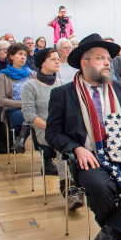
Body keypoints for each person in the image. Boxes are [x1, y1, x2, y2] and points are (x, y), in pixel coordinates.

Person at [45, 33, 121, 240]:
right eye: (100, 58)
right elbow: (52, 133)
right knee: (98, 185)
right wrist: (76, 148)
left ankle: (109, 233)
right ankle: (118, 232)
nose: (107, 63)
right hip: (90, 156)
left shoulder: (117, 88)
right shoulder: (63, 94)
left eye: (109, 59)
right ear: (84, 63)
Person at [21, 48, 83, 209]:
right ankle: (69, 190)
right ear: (42, 63)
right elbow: (29, 115)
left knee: (85, 142)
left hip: (66, 129)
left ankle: (83, 183)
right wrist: (53, 126)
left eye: (57, 59)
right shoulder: (30, 86)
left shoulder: (63, 84)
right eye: (53, 59)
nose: (58, 62)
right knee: (63, 148)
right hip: (44, 131)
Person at [0, 43, 36, 154]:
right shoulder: (3, 76)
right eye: (20, 54)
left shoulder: (32, 74)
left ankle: (21, 140)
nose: (23, 57)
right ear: (11, 56)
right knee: (33, 116)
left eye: (25, 54)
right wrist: (23, 104)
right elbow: (1, 100)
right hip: (15, 111)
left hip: (33, 109)